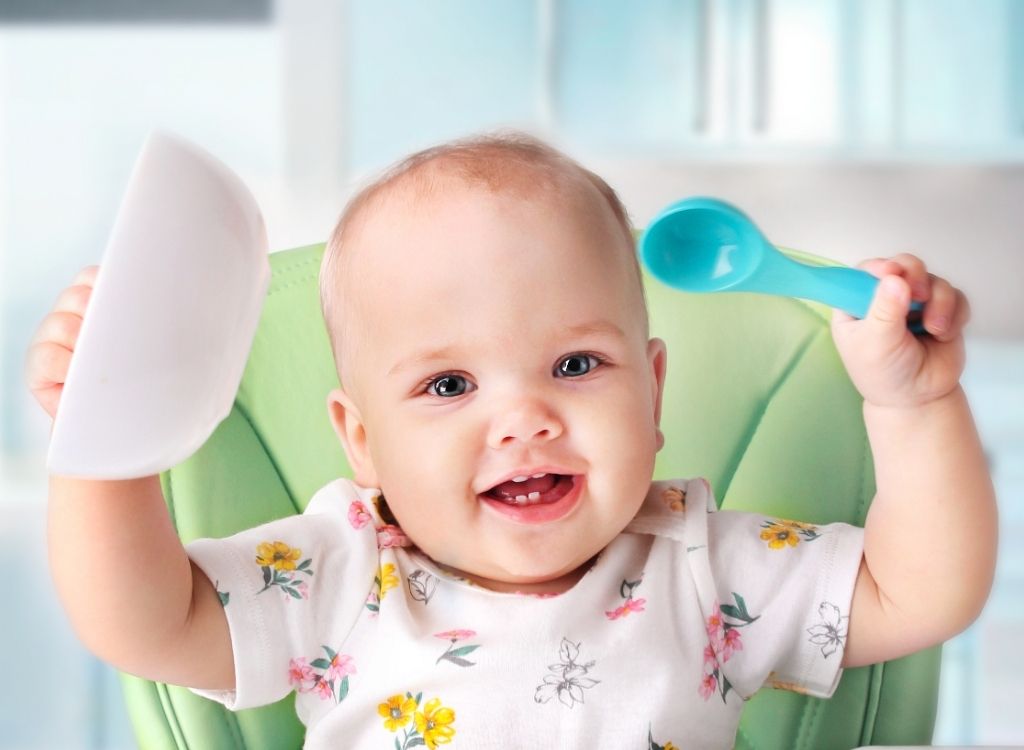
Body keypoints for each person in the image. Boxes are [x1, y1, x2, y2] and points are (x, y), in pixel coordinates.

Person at [26, 132, 996, 748]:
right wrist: (109, 439)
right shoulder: (337, 575)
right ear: (361, 442)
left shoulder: (700, 567)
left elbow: (917, 594)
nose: (525, 418)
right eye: (448, 385)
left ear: (651, 392)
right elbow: (143, 623)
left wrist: (910, 407)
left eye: (576, 365)